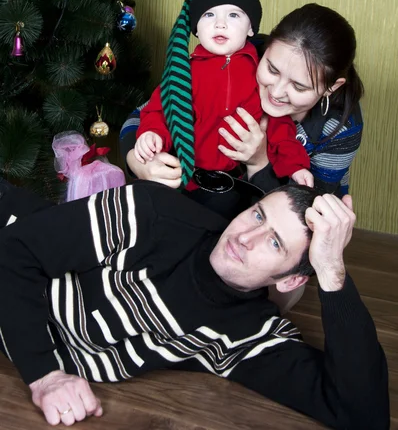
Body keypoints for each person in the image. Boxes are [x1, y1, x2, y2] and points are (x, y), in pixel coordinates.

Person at [0, 179, 389, 428]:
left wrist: (333, 275)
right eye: (257, 214)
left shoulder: (245, 334)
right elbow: (14, 250)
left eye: (274, 243)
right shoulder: (152, 213)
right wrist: (46, 375)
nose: (245, 237)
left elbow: (361, 414)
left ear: (290, 279)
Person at [122, 3, 364, 200]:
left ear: (332, 87)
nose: (277, 92)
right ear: (265, 49)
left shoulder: (341, 127)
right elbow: (144, 113)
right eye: (271, 69)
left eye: (299, 86)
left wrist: (259, 162)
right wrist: (138, 159)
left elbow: (305, 212)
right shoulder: (236, 57)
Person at [134, 0, 312, 197]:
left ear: (251, 28)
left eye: (234, 15)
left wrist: (295, 165)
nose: (220, 24)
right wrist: (151, 134)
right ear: (195, 27)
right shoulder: (181, 72)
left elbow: (280, 127)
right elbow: (158, 110)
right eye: (209, 14)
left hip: (233, 184)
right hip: (181, 179)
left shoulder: (261, 73)